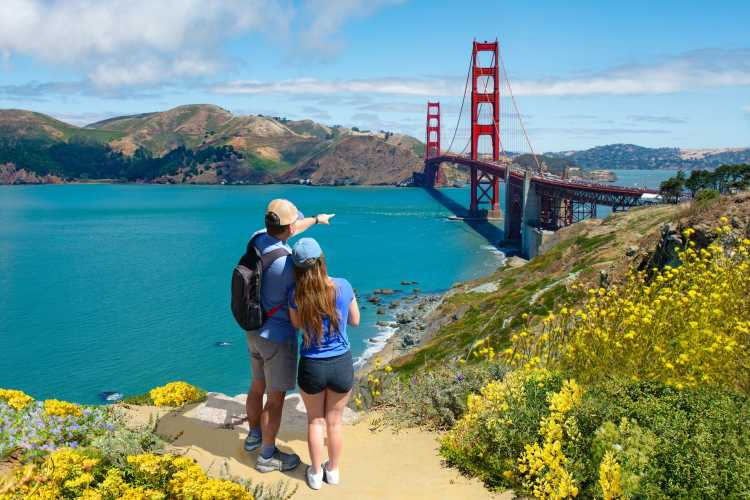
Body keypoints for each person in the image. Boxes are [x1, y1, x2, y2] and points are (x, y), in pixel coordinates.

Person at [244, 199, 335, 473]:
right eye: (296, 221)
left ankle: (253, 437)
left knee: (256, 384)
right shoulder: (288, 265)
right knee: (276, 398)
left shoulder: (257, 239)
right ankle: (267, 456)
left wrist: (317, 219)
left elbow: (291, 230)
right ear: (289, 226)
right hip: (278, 337)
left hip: (253, 328)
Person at [288, 238, 360, 490]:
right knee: (334, 422)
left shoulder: (296, 294)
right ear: (322, 260)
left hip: (311, 366)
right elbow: (356, 320)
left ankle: (316, 474)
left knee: (315, 421)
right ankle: (334, 470)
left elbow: (296, 325)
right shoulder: (343, 285)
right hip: (341, 363)